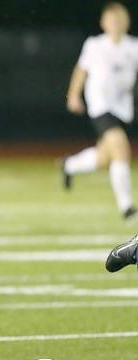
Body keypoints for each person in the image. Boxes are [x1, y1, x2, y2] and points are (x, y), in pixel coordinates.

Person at [62, 2, 138, 220]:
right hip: (100, 106)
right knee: (121, 149)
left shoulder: (133, 47)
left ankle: (69, 165)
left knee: (105, 158)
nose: (115, 24)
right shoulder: (94, 45)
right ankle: (127, 208)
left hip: (123, 109)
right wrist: (73, 95)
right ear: (103, 23)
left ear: (127, 23)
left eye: (120, 20)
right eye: (111, 20)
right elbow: (81, 70)